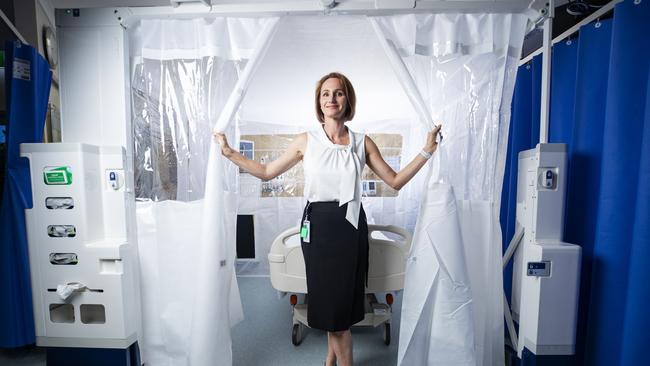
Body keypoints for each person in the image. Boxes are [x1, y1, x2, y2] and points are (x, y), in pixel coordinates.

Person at [214, 72, 441, 366]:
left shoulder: (362, 142)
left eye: (338, 93)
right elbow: (267, 172)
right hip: (319, 227)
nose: (331, 99)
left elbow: (395, 181)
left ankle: (330, 361)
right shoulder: (305, 141)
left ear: (348, 100)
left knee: (343, 305)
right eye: (325, 94)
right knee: (333, 308)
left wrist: (427, 150)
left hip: (351, 226)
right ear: (319, 103)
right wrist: (230, 152)